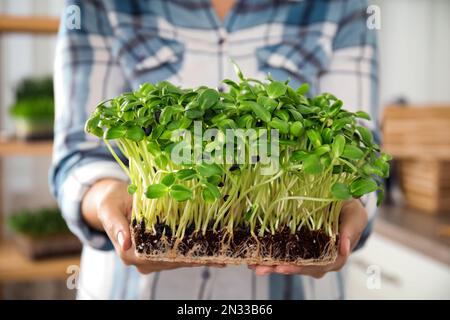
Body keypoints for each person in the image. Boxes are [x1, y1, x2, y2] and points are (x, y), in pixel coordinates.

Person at [50, 0, 378, 299]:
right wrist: (105, 196)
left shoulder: (344, 6)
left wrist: (350, 208)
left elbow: (359, 153)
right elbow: (78, 155)